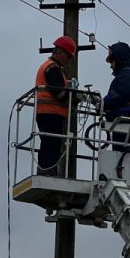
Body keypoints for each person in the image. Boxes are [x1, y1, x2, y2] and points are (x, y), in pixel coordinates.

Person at [35, 36, 76, 176]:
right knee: (51, 144)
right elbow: (59, 94)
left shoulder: (48, 66)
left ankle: (46, 171)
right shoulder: (52, 68)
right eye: (68, 56)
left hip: (46, 113)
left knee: (49, 144)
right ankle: (47, 172)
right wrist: (75, 98)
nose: (69, 60)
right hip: (51, 113)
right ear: (61, 53)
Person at [102, 41, 130, 158]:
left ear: (118, 59)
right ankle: (120, 169)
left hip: (125, 118)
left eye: (112, 61)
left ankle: (119, 169)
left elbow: (118, 96)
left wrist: (102, 103)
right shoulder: (128, 74)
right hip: (126, 118)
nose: (110, 65)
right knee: (121, 152)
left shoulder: (127, 75)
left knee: (120, 152)